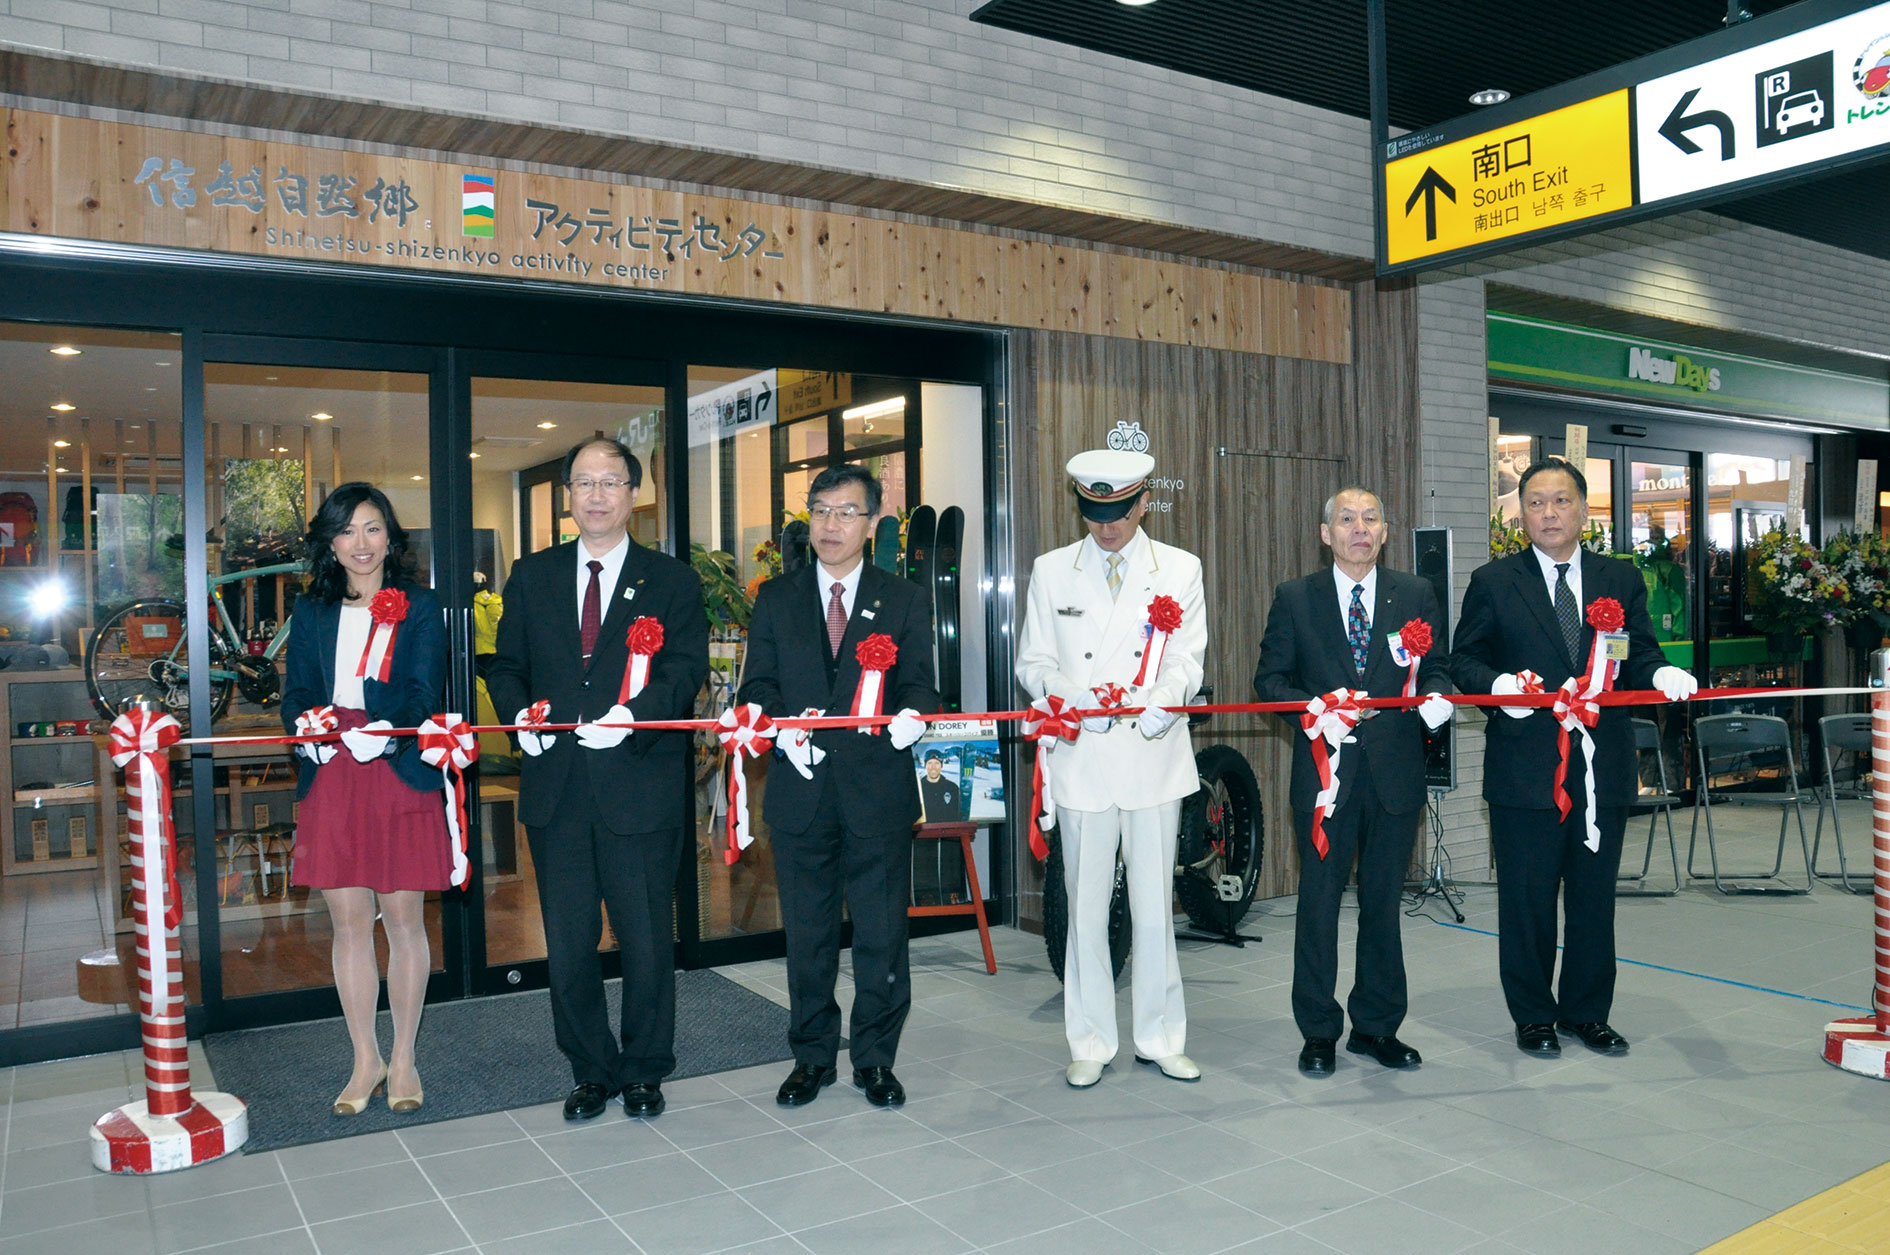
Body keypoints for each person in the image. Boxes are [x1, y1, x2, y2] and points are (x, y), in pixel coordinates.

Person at [487, 438, 709, 1119]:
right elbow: (506, 662)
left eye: (610, 481)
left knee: (645, 937)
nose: (596, 494)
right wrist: (516, 711)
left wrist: (633, 715)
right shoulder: (533, 573)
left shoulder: (671, 579)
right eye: (584, 482)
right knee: (570, 940)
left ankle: (644, 1069)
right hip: (557, 789)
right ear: (570, 494)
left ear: (633, 493)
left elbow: (684, 671)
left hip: (639, 782)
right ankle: (590, 1067)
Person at [1452, 457, 1697, 1058]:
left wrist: (1660, 669)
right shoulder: (1494, 581)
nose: (1548, 513)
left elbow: (1639, 651)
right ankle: (1533, 1015)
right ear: (1522, 514)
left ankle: (1587, 1013)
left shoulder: (1620, 576)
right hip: (1525, 770)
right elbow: (1464, 662)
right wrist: (1503, 690)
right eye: (1535, 503)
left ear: (1584, 510)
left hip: (1601, 766)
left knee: (1593, 901)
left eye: (1561, 501)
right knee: (1528, 901)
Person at [737, 463, 938, 1109]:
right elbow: (756, 687)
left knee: (881, 935)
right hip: (799, 790)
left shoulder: (902, 598)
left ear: (871, 522)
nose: (830, 523)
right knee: (809, 934)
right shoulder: (776, 596)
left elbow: (920, 685)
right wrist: (780, 730)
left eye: (846, 511)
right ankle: (812, 1056)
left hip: (875, 790)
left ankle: (876, 1059)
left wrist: (914, 716)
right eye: (820, 509)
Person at [1016, 448, 1207, 1089]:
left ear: (1143, 501)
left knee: (1155, 910)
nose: (1107, 527)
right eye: (1095, 513)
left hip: (1152, 757)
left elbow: (1187, 657)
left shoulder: (1179, 568)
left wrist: (1166, 703)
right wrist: (1068, 701)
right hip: (1083, 758)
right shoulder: (1051, 571)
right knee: (1085, 912)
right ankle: (1090, 1040)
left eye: (1119, 512)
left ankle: (1160, 1037)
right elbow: (1034, 663)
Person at [1253, 487, 1453, 1077]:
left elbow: (1434, 666)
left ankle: (1376, 1027)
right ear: (1325, 533)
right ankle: (1318, 1030)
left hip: (1395, 774)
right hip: (1324, 776)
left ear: (1386, 532)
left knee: (1383, 904)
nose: (1358, 529)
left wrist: (1437, 697)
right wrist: (1317, 708)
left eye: (1370, 519)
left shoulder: (1415, 593)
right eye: (1346, 519)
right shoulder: (1296, 598)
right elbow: (1271, 680)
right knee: (1318, 904)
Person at [282, 483, 449, 1116]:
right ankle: (364, 1058)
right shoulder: (312, 610)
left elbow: (422, 691)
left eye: (372, 528)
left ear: (391, 537)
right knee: (348, 925)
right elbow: (296, 693)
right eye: (346, 531)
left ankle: (404, 1056)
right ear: (330, 541)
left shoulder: (421, 605)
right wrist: (308, 733)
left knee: (404, 921)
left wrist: (386, 731)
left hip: (395, 766)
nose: (360, 543)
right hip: (333, 775)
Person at [918, 748, 960, 821]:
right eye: (929, 763)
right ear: (925, 765)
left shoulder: (952, 788)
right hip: (923, 831)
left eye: (937, 763)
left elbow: (957, 815)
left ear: (941, 765)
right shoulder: (918, 788)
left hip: (947, 831)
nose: (933, 767)